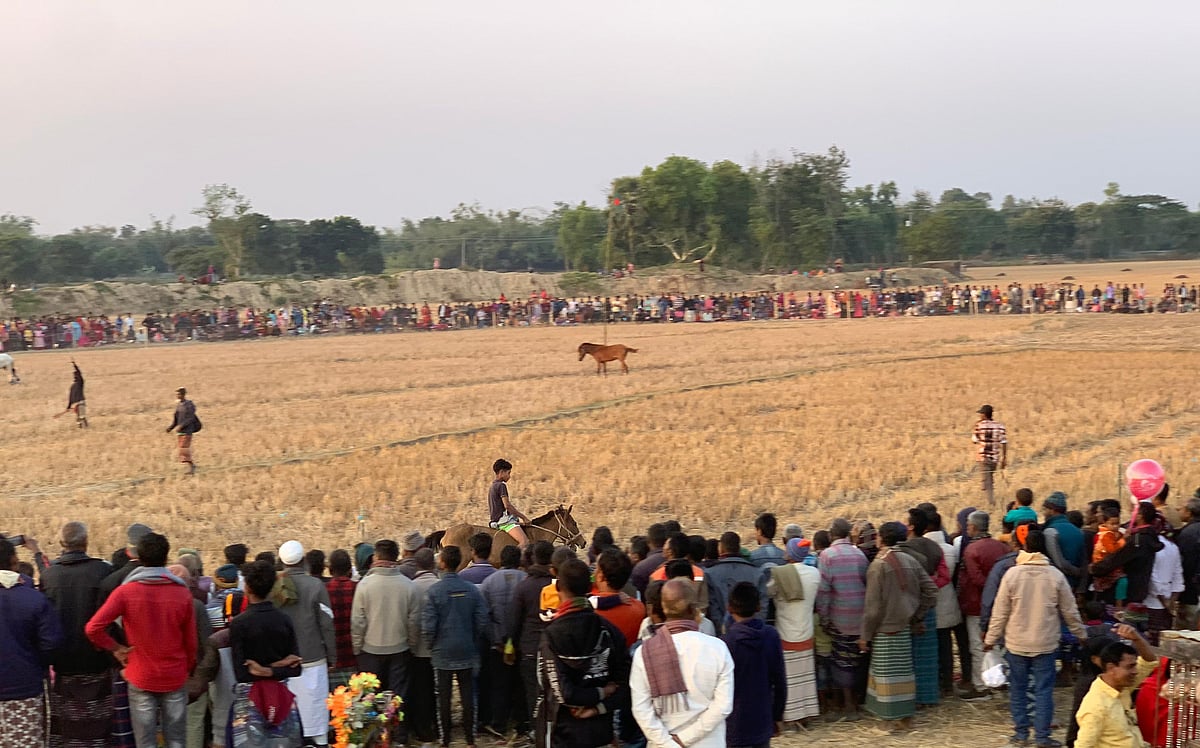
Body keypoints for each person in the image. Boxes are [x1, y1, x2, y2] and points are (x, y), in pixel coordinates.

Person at [85, 532, 196, 748]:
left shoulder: (125, 592)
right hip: (174, 674)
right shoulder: (182, 594)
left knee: (145, 742)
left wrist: (116, 648)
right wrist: (187, 669)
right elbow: (191, 642)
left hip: (140, 673)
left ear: (137, 556)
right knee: (176, 741)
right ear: (166, 557)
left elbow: (92, 628)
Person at [985, 524, 1088, 748]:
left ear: (1024, 546)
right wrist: (1081, 635)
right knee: (1043, 691)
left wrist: (990, 640)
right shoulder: (1055, 575)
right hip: (1046, 643)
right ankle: (1042, 737)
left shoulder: (1012, 575)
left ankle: (1021, 735)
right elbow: (1070, 612)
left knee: (1018, 689)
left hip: (1016, 643)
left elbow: (1000, 611)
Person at [536, 557, 630, 748]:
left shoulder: (552, 635)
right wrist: (600, 703)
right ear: (589, 586)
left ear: (558, 587)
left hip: (562, 734)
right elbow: (626, 686)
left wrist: (597, 697)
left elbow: (564, 694)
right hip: (602, 733)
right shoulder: (610, 631)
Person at [630, 578, 735, 748]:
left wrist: (669, 743)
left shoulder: (645, 652)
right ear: (694, 609)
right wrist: (685, 738)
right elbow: (723, 706)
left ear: (663, 608)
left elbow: (641, 711)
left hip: (661, 744)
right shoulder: (717, 648)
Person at [39, 521, 115, 748]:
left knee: (66, 720)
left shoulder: (49, 575)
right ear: (86, 542)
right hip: (97, 656)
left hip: (63, 660)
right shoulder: (103, 571)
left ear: (62, 543)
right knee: (98, 720)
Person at [859, 521, 937, 732]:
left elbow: (872, 608)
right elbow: (931, 591)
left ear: (881, 539)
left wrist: (865, 635)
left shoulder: (878, 565)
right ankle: (905, 719)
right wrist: (917, 617)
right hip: (904, 628)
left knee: (886, 677)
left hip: (885, 629)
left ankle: (889, 721)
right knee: (903, 675)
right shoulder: (911, 560)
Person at [227, 560, 304, 746]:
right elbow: (296, 668)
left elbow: (242, 674)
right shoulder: (283, 620)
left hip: (249, 699)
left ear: (247, 587)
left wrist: (262, 670)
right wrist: (275, 667)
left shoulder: (239, 624)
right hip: (280, 697)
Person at [422, 546, 489, 748]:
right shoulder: (471, 589)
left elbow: (428, 626)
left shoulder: (434, 591)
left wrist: (431, 645)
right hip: (467, 648)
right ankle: (470, 740)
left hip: (442, 651)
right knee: (468, 696)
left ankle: (445, 740)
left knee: (444, 697)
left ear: (441, 563)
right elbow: (482, 619)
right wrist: (472, 638)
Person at [0, 536, 64, 747]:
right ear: (15, 562)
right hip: (23, 687)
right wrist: (36, 664)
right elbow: (51, 644)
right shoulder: (33, 599)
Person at [275, 540, 336, 747]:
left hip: (283, 662)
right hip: (313, 658)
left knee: (290, 714)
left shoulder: (274, 587)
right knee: (316, 711)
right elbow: (327, 624)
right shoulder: (316, 585)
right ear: (303, 560)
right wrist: (331, 656)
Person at [350, 538, 421, 695]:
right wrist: (412, 647)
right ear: (396, 557)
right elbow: (414, 623)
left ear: (376, 557)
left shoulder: (364, 585)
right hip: (400, 650)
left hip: (370, 651)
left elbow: (357, 622)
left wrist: (357, 648)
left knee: (371, 700)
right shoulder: (409, 586)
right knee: (396, 701)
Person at [816, 517, 869, 720]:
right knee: (856, 660)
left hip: (839, 617)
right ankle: (855, 702)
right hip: (860, 617)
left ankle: (847, 706)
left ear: (831, 535)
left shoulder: (827, 556)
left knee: (841, 662)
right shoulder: (859, 554)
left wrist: (824, 618)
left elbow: (824, 592)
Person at [723, 581, 787, 748]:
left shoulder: (725, 643)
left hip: (733, 724)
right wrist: (777, 715)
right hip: (762, 719)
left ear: (729, 608)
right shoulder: (771, 635)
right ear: (759, 606)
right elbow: (780, 681)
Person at [1074, 625, 1158, 748]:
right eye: (1130, 667)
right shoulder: (1096, 705)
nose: (1135, 671)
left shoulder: (1122, 687)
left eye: (1134, 666)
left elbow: (1149, 662)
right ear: (1111, 668)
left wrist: (1137, 639)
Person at [767, 536, 821, 725]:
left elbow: (768, 592)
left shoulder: (779, 574)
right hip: (806, 632)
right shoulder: (815, 573)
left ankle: (790, 718)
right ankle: (806, 715)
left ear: (789, 553)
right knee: (805, 677)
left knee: (788, 679)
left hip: (785, 633)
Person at [957, 511, 1008, 700]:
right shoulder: (1001, 547)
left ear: (974, 527)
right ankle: (1001, 682)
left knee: (978, 646)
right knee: (998, 644)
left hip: (977, 604)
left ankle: (981, 686)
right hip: (1001, 604)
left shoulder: (971, 550)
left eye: (969, 526)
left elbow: (976, 579)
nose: (967, 528)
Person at [479, 545, 528, 740]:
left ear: (501, 559)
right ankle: (522, 723)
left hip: (497, 645)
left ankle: (499, 724)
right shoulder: (526, 580)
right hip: (521, 644)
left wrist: (496, 640)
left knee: (499, 685)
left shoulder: (488, 583)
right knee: (520, 684)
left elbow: (484, 617)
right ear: (519, 560)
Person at [511, 540, 555, 742]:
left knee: (533, 694)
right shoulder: (558, 585)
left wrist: (508, 644)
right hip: (554, 648)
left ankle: (536, 733)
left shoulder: (524, 587)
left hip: (529, 649)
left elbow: (513, 622)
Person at [407, 548, 441, 746]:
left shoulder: (410, 587)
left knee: (421, 690)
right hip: (438, 649)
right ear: (434, 564)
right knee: (438, 691)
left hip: (417, 649)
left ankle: (422, 729)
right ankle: (438, 726)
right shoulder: (439, 585)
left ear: (416, 565)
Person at [705, 531, 767, 633]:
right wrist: (754, 629)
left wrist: (723, 630)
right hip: (753, 633)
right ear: (738, 548)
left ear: (720, 549)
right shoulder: (757, 573)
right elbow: (763, 607)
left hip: (722, 635)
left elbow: (713, 609)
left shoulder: (710, 574)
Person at [325, 549, 357, 690]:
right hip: (354, 656)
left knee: (335, 704)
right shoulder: (358, 589)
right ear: (350, 570)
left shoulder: (323, 591)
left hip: (332, 659)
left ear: (330, 570)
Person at [489, 459, 529, 547]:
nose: (509, 476)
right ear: (502, 472)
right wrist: (524, 517)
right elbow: (507, 506)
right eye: (508, 473)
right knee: (525, 542)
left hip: (494, 521)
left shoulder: (493, 486)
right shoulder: (501, 486)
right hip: (503, 522)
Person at [972, 404, 1007, 505]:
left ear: (984, 415)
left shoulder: (979, 425)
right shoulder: (1000, 426)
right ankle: (986, 491)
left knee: (987, 481)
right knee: (988, 477)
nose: (979, 415)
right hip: (995, 457)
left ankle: (991, 502)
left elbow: (974, 440)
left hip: (983, 457)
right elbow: (1004, 442)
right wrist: (1004, 458)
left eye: (981, 414)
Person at [165, 387, 201, 475]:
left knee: (183, 449)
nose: (177, 396)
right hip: (180, 432)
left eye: (178, 394)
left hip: (188, 431)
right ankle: (191, 466)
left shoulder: (189, 405)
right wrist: (170, 427)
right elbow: (176, 418)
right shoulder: (179, 405)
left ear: (183, 394)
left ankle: (191, 467)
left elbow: (190, 418)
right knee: (182, 449)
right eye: (176, 394)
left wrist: (181, 425)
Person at [56, 359, 88, 427]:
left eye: (76, 375)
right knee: (79, 420)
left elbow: (80, 374)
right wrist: (69, 406)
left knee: (81, 418)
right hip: (77, 404)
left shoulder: (79, 383)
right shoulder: (73, 386)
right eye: (75, 375)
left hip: (81, 403)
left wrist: (75, 366)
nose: (76, 376)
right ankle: (84, 429)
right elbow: (70, 398)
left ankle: (86, 429)